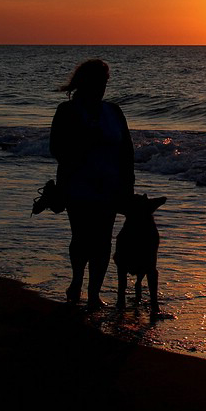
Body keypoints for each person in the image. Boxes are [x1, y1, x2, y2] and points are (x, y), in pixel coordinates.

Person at [50, 59, 134, 308]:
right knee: (82, 236)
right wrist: (83, 146)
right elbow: (56, 148)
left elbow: (126, 150)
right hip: (78, 184)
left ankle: (94, 292)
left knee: (103, 240)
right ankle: (77, 281)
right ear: (85, 83)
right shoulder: (67, 111)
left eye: (105, 82)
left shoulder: (114, 111)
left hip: (110, 185)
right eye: (98, 81)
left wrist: (127, 184)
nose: (102, 87)